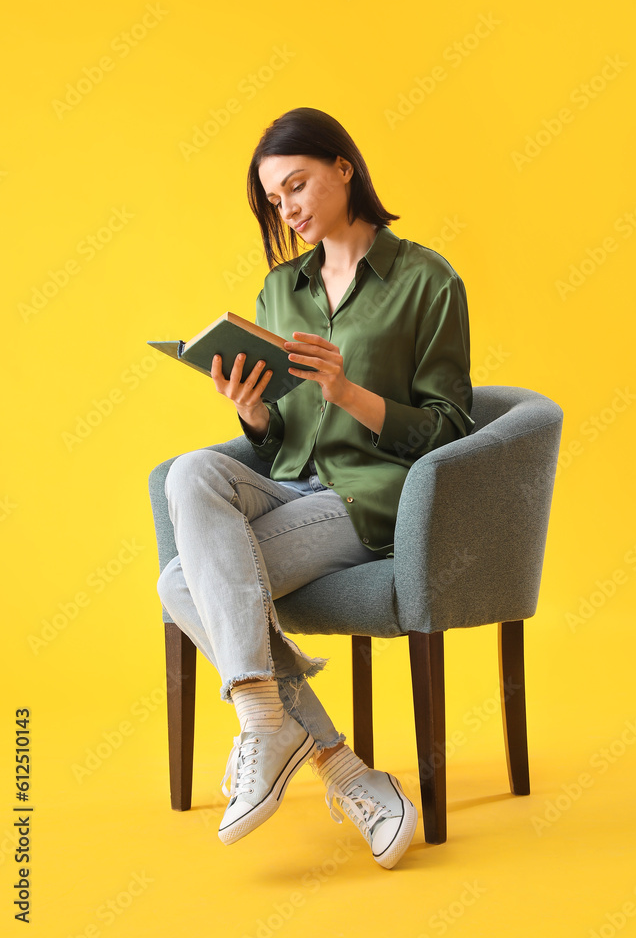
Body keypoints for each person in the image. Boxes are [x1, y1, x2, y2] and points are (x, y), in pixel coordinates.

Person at [157, 106, 475, 870]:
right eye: (275, 200)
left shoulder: (426, 280)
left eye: (296, 185)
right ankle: (331, 758)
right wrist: (254, 413)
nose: (289, 209)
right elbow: (279, 444)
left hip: (368, 501)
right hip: (292, 490)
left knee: (178, 584)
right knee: (191, 470)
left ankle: (289, 738)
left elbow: (452, 430)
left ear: (342, 167)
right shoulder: (281, 288)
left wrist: (350, 393)